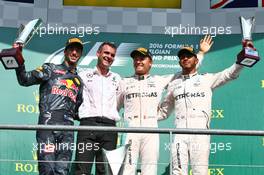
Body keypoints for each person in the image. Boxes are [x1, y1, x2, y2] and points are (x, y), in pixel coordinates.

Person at [117, 35, 213, 175]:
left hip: (151, 130)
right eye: (136, 58)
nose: (138, 61)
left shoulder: (160, 80)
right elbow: (114, 108)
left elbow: (188, 70)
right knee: (127, 170)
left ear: (150, 62)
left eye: (142, 58)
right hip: (130, 130)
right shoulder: (123, 82)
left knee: (149, 171)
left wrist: (201, 53)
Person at [158, 44, 246, 175]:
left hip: (200, 133)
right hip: (179, 133)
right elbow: (164, 111)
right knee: (177, 172)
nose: (185, 58)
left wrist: (241, 62)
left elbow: (228, 74)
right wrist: (142, 118)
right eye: (182, 57)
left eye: (189, 56)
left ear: (196, 60)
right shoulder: (173, 84)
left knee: (200, 172)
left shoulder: (206, 79)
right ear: (179, 62)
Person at [14, 37, 84, 175]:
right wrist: (18, 58)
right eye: (72, 49)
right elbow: (25, 79)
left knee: (62, 171)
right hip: (48, 127)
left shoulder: (79, 81)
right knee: (47, 169)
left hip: (67, 132)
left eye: (78, 50)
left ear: (80, 54)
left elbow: (79, 110)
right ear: (65, 52)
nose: (74, 53)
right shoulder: (50, 69)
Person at [74, 42, 121, 175]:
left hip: (109, 128)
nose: (109, 56)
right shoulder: (83, 75)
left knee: (105, 172)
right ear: (98, 53)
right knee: (82, 170)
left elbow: (121, 102)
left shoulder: (117, 79)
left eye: (112, 55)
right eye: (106, 53)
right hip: (88, 126)